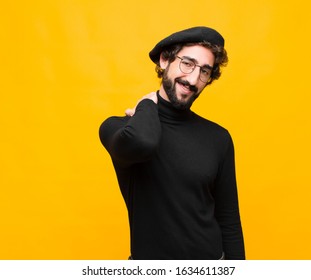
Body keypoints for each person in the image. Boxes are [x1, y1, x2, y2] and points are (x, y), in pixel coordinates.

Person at [99, 26, 245, 260]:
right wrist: (148, 103)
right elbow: (143, 143)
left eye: (205, 71)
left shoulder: (218, 138)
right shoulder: (119, 129)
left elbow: (229, 220)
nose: (193, 79)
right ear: (165, 59)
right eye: (187, 63)